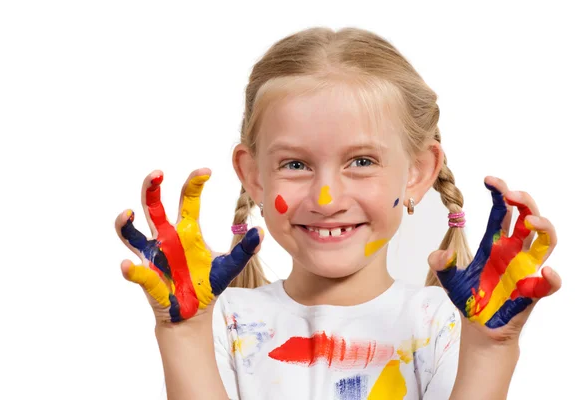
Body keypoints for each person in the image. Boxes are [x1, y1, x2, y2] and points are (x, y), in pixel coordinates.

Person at [115, 27, 561, 400]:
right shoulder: (220, 321)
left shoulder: (446, 323)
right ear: (254, 177)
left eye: (362, 162)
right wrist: (183, 334)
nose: (326, 199)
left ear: (418, 173)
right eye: (295, 164)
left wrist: (490, 350)